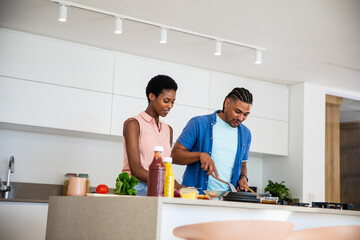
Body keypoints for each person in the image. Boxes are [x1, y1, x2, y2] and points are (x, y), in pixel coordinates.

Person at [171, 87, 253, 192]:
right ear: (227, 103)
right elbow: (174, 156)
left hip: (227, 201)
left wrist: (243, 177)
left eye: (245, 114)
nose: (241, 118)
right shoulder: (198, 123)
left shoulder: (246, 134)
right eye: (238, 111)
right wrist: (200, 155)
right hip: (195, 197)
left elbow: (243, 165)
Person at [122, 74, 181, 196]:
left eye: (172, 102)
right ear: (151, 96)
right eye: (166, 101)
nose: (169, 106)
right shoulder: (133, 124)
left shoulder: (168, 129)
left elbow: (165, 167)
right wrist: (167, 182)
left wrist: (178, 185)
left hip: (160, 188)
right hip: (137, 187)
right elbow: (136, 169)